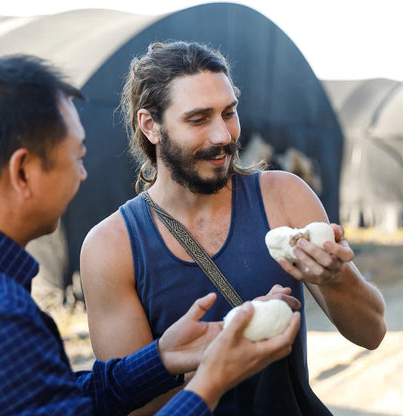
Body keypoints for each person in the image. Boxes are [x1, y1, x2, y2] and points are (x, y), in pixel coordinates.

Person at [80, 41, 386, 415]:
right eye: (199, 119)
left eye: (229, 112)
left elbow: (372, 333)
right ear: (151, 126)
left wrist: (338, 278)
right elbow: (135, 409)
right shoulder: (111, 246)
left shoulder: (284, 196)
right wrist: (236, 339)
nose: (222, 135)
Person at [0, 53, 301, 416]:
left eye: (229, 112)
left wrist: (162, 358)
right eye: (77, 157)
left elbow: (55, 397)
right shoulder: (1, 317)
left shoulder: (5, 298)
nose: (83, 174)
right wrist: (209, 383)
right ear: (22, 172)